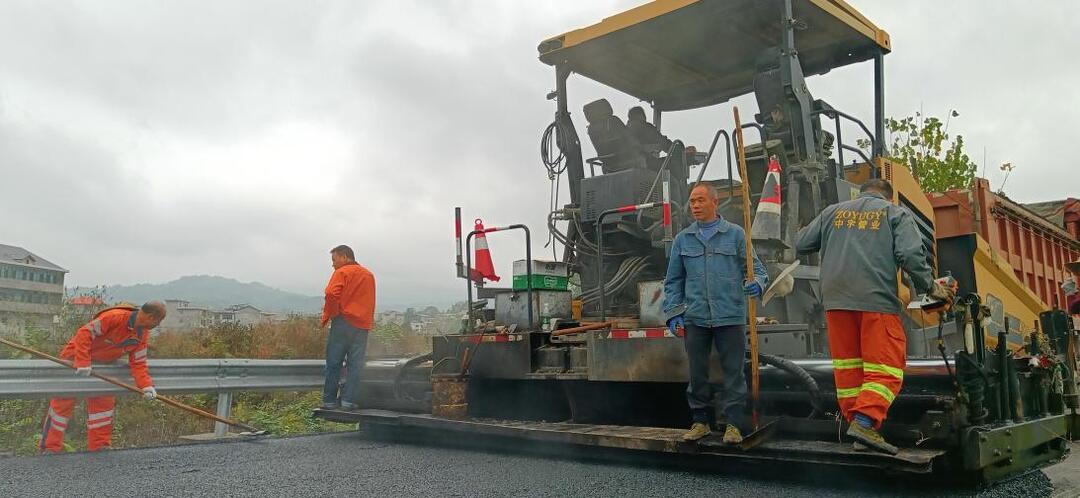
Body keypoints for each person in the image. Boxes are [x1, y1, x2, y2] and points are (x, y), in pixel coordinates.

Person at [796, 179, 953, 454]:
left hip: (835, 302)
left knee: (849, 369)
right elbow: (910, 255)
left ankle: (859, 428)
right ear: (888, 197)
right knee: (887, 367)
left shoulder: (833, 211)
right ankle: (866, 422)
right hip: (875, 300)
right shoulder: (895, 213)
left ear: (861, 192)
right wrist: (933, 288)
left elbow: (802, 242)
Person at [663, 183, 768, 443]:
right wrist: (674, 312)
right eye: (692, 201)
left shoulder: (735, 235)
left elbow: (757, 270)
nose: (695, 206)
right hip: (696, 316)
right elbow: (673, 281)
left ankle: (733, 424)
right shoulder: (683, 239)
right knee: (697, 373)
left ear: (714, 202)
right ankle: (700, 422)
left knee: (733, 373)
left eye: (700, 200)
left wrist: (758, 283)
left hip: (730, 314)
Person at [40, 301, 166, 453]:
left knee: (103, 408)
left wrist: (146, 385)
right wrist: (83, 361)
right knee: (61, 406)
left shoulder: (141, 334)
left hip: (104, 366)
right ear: (152, 317)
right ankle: (50, 448)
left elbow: (138, 363)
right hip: (74, 360)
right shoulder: (114, 317)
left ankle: (99, 447)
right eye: (159, 321)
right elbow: (84, 333)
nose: (158, 325)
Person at [320, 244, 376, 411]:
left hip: (343, 323)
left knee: (334, 362)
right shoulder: (368, 275)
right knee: (355, 364)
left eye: (334, 259)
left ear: (344, 257)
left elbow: (331, 293)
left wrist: (334, 312)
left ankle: (329, 401)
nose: (333, 264)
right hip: (362, 326)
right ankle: (348, 401)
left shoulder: (342, 272)